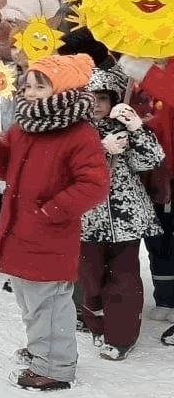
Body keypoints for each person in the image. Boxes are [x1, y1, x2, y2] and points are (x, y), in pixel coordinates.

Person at [0, 54, 109, 390]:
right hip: (20, 230)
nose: (31, 91)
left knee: (49, 304)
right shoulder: (24, 127)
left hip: (50, 233)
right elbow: (6, 170)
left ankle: (56, 367)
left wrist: (53, 210)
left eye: (40, 85)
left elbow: (93, 185)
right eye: (29, 84)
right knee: (30, 301)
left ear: (62, 89)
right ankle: (43, 350)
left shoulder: (80, 133)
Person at [78, 68, 164, 361]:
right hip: (87, 219)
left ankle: (121, 335)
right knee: (90, 279)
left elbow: (150, 161)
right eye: (91, 98)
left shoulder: (123, 126)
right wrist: (101, 150)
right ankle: (98, 325)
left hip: (126, 218)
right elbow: (67, 168)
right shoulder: (73, 130)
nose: (97, 104)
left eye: (103, 98)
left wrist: (137, 128)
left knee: (124, 279)